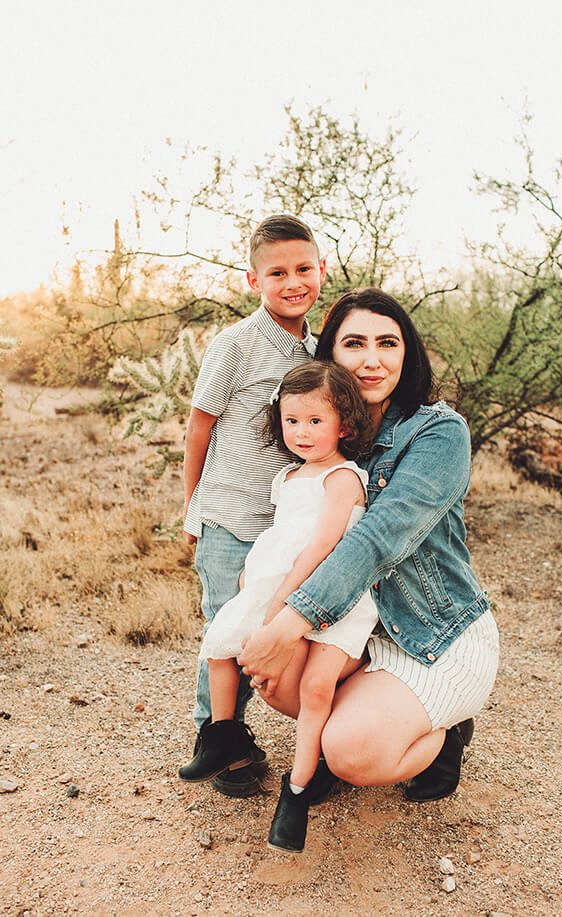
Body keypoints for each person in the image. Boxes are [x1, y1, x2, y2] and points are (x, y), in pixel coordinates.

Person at [236, 287, 500, 846]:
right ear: (327, 355)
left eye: (388, 342)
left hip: (434, 632)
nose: (371, 359)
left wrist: (288, 621)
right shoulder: (322, 434)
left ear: (408, 354)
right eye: (353, 343)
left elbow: (379, 539)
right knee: (280, 684)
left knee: (352, 751)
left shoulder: (438, 432)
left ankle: (444, 730)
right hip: (357, 627)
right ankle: (353, 726)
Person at [188, 361, 379, 851]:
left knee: (316, 686)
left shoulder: (344, 478)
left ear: (345, 425)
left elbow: (322, 544)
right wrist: (254, 578)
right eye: (292, 420)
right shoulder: (287, 477)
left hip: (332, 593)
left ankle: (296, 790)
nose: (302, 431)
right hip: (274, 581)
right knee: (220, 641)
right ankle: (224, 732)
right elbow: (280, 535)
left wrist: (283, 598)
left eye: (316, 421)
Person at [178, 214, 325, 798]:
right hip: (230, 514)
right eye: (277, 272)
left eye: (303, 269)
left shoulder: (320, 349)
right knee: (226, 629)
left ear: (321, 270)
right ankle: (217, 737)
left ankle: (262, 733)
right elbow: (199, 426)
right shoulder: (235, 344)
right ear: (252, 279)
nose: (292, 282)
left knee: (271, 627)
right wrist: (193, 508)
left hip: (287, 523)